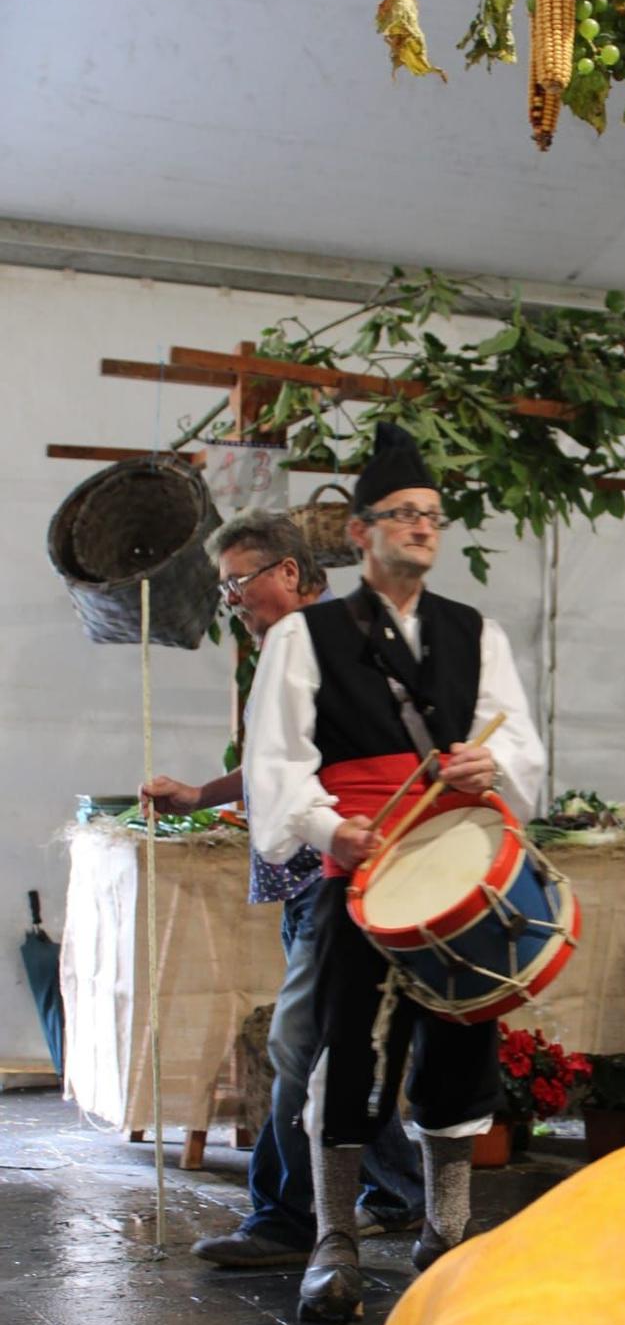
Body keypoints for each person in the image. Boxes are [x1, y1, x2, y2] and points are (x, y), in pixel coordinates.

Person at [243, 421, 545, 1325]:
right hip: (362, 863)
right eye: (403, 515)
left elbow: (518, 738)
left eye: (431, 517)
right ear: (362, 532)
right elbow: (276, 758)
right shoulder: (304, 639)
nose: (422, 528)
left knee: (460, 1036)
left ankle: (445, 1233)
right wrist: (326, 829)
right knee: (345, 1043)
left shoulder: (474, 631)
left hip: (452, 862)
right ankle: (334, 1239)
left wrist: (493, 769)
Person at [140, 510, 425, 1268]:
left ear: (289, 574)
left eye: (240, 580)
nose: (231, 596)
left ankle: (285, 1219)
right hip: (310, 872)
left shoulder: (328, 645)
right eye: (226, 583)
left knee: (301, 1046)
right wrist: (202, 794)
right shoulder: (287, 648)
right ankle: (394, 1190)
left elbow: (339, 760)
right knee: (328, 1044)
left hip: (325, 871)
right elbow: (277, 758)